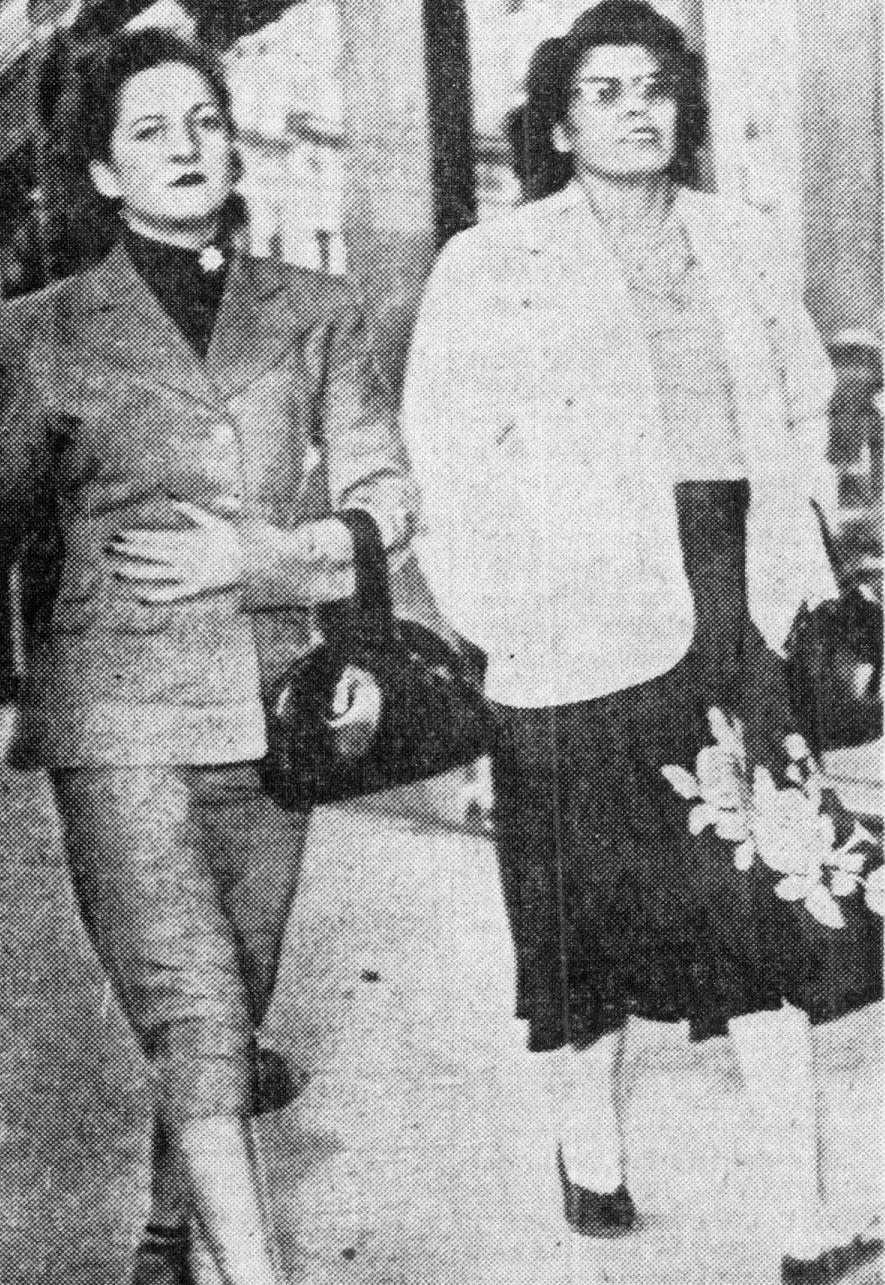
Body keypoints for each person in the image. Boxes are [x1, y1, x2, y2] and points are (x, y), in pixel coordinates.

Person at [401, 4, 883, 1281]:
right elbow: (447, 448)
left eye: (657, 87)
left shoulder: (740, 242)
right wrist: (502, 617)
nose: (637, 109)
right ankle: (590, 1149)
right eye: (606, 91)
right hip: (573, 617)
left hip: (733, 605)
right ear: (560, 123)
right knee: (582, 913)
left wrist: (802, 540)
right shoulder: (495, 262)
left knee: (775, 892)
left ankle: (805, 1215)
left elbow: (798, 395)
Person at [0, 27, 416, 1285]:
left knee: (231, 1005)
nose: (186, 148)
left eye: (203, 122)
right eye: (149, 130)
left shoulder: (320, 310)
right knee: (192, 1004)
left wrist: (262, 559)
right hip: (119, 716)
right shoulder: (39, 333)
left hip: (280, 709)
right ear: (104, 174)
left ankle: (172, 1233)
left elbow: (386, 494)